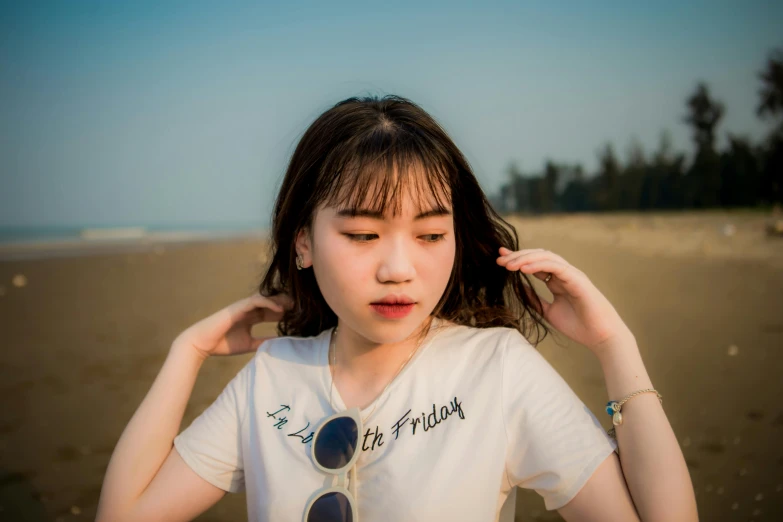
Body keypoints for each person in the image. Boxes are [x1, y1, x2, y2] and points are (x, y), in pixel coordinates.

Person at [96, 96, 698, 522]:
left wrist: (615, 346)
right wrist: (188, 353)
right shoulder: (271, 378)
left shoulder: (497, 371)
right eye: (362, 235)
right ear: (303, 241)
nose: (398, 269)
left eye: (431, 236)